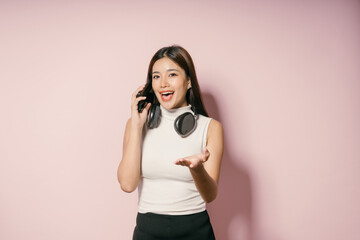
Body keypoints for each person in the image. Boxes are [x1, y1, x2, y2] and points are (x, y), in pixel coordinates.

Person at [117, 45, 224, 240]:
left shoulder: (211, 128)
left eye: (172, 74)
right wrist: (136, 126)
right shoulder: (135, 125)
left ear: (189, 81)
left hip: (196, 231)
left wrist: (197, 169)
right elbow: (127, 184)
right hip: (147, 231)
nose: (163, 83)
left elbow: (210, 195)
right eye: (156, 76)